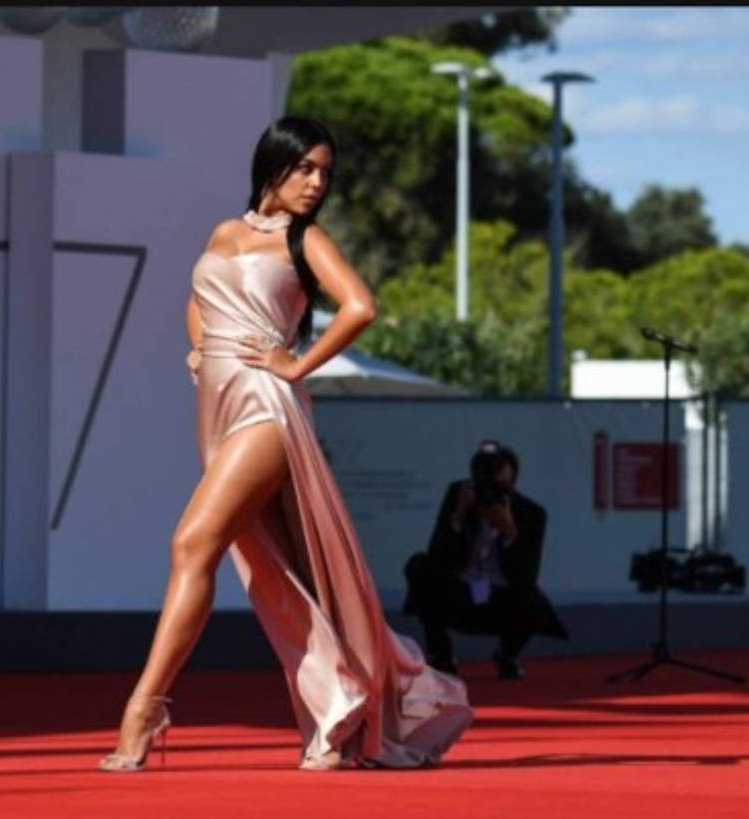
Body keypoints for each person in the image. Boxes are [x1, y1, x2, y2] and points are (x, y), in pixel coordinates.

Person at [98, 117, 474, 773]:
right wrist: (200, 345)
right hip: (216, 407)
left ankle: (145, 707)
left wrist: (295, 364)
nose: (317, 181)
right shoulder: (224, 231)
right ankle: (342, 705)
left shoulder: (307, 239)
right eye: (306, 167)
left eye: (325, 172)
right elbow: (199, 296)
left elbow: (360, 307)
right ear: (273, 164)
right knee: (282, 570)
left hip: (267, 409)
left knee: (192, 544)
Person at [402, 441, 570, 680]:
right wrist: (458, 517)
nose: (489, 491)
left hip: (500, 598)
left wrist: (510, 531)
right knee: (419, 566)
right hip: (458, 593)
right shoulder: (458, 496)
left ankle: (507, 654)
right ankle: (442, 655)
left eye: (498, 478)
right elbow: (437, 556)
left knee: (533, 599)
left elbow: (527, 577)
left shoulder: (530, 513)